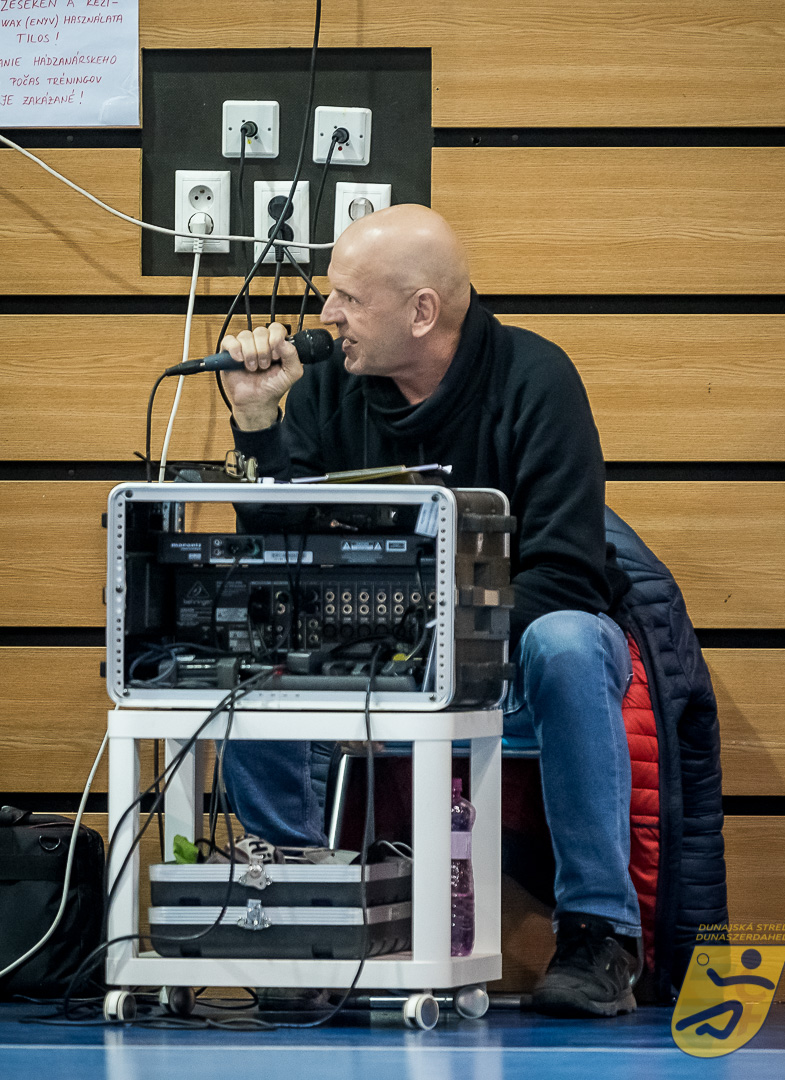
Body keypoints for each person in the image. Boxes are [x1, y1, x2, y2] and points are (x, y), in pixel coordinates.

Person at [218, 204, 641, 1017]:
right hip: (370, 656)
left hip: (514, 656)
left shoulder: (536, 379)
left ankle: (599, 935)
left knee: (568, 643)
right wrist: (258, 420)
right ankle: (303, 927)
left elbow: (567, 576)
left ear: (422, 312)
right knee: (254, 652)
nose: (326, 316)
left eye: (348, 299)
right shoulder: (325, 389)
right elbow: (278, 553)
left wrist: (440, 643)